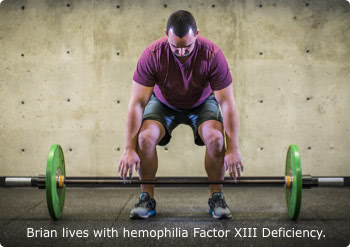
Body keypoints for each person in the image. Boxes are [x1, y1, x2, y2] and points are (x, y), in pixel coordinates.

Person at [118, 10, 243, 219]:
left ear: (197, 34)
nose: (182, 53)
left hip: (202, 103)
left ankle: (217, 197)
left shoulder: (212, 54)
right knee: (145, 138)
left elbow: (227, 103)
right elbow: (137, 103)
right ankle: (146, 198)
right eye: (176, 47)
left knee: (216, 138)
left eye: (188, 47)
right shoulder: (152, 54)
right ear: (166, 34)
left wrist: (233, 149)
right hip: (163, 103)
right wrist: (129, 149)